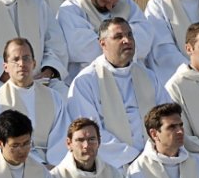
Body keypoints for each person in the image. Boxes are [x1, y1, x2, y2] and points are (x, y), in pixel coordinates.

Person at [65, 18, 168, 169]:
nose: (127, 40)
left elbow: (166, 118)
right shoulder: (86, 82)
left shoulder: (149, 77)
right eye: (118, 37)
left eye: (130, 35)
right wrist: (134, 158)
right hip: (114, 166)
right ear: (103, 44)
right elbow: (88, 132)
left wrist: (156, 152)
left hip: (155, 159)